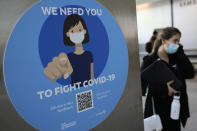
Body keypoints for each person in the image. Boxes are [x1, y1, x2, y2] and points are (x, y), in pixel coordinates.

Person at [141, 27, 195, 131]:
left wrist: (180, 53)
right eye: (175, 40)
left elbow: (190, 73)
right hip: (158, 110)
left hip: (176, 108)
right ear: (163, 41)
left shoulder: (176, 57)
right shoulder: (150, 60)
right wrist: (164, 89)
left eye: (179, 41)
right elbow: (142, 87)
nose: (178, 44)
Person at [44, 14, 94, 85]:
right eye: (72, 31)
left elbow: (92, 74)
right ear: (68, 34)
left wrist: (94, 85)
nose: (77, 33)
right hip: (75, 86)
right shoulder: (69, 56)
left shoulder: (89, 54)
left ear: (84, 31)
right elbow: (70, 70)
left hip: (89, 85)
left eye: (80, 29)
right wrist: (64, 73)